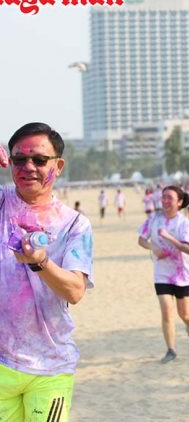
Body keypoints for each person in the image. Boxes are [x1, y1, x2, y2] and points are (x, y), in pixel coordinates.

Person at [0, 122, 94, 421]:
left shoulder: (74, 224)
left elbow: (75, 291)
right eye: (19, 159)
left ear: (58, 166)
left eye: (40, 160)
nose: (29, 167)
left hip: (49, 367)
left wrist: (39, 262)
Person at [138, 185, 189, 363]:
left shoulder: (184, 223)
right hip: (162, 273)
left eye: (170, 198)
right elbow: (141, 240)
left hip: (183, 275)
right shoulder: (154, 219)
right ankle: (171, 350)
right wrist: (153, 247)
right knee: (167, 310)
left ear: (179, 202)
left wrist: (169, 238)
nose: (165, 201)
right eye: (163, 197)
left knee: (184, 313)